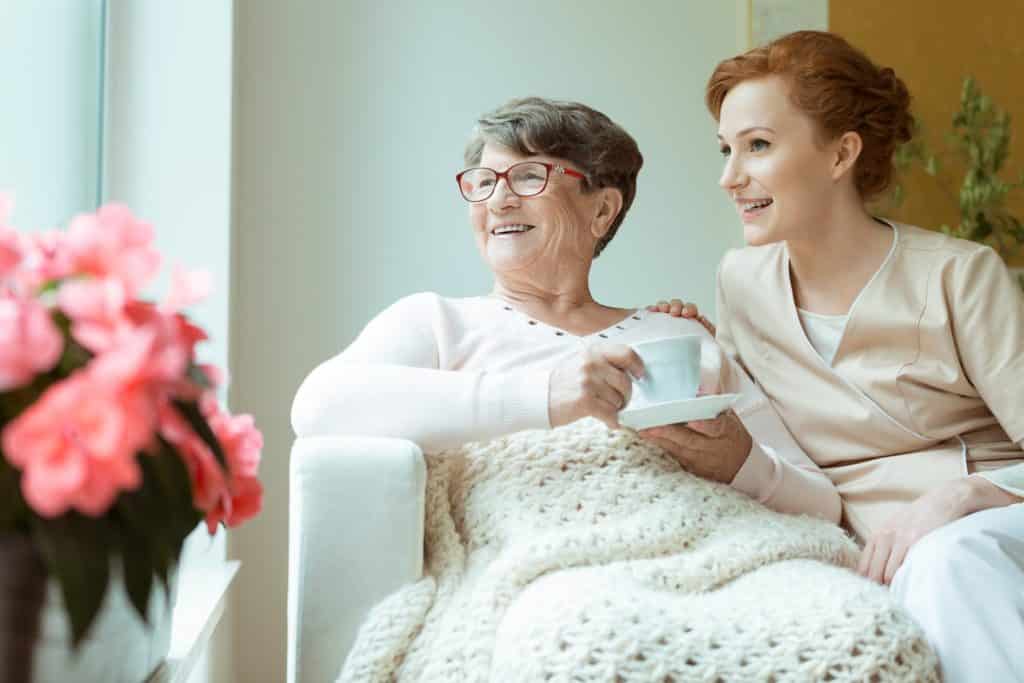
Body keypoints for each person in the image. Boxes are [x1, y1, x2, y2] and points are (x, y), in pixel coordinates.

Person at [650, 31, 1024, 682]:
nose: (729, 177)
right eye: (726, 150)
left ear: (841, 154)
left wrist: (958, 496)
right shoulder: (740, 279)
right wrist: (706, 359)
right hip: (845, 534)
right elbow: (762, 440)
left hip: (981, 523)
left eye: (757, 146)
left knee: (945, 563)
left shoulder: (961, 275)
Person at [291, 96, 841, 521]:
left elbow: (824, 506)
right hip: (547, 573)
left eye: (529, 176)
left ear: (602, 210)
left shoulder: (676, 335)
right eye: (483, 183)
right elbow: (318, 406)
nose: (499, 199)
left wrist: (741, 463)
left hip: (707, 556)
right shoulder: (436, 322)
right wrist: (547, 395)